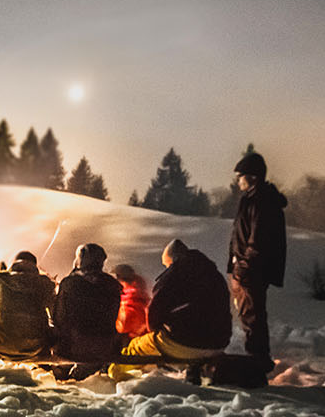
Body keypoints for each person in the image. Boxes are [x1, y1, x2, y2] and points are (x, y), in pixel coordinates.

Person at [111, 239, 231, 378]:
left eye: (166, 265)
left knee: (135, 347)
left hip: (183, 343)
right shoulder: (214, 274)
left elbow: (154, 314)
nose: (167, 268)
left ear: (172, 260)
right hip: (218, 344)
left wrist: (154, 332)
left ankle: (112, 378)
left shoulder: (173, 275)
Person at [228, 152, 287, 366]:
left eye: (240, 176)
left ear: (251, 177)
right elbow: (240, 234)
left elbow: (258, 239)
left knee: (252, 315)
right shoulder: (251, 200)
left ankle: (258, 359)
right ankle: (257, 357)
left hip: (252, 271)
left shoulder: (261, 201)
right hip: (246, 268)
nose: (237, 180)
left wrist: (243, 268)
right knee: (249, 314)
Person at [0, 250, 56, 359]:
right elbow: (54, 312)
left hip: (0, 345)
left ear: (13, 263)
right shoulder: (45, 283)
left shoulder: (0, 278)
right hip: (35, 347)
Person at [53, 244, 122, 363]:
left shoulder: (69, 283)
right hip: (106, 346)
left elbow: (59, 317)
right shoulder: (113, 284)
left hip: (73, 348)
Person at [113, 264, 150, 338]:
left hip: (133, 341)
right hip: (144, 338)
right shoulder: (142, 295)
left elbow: (122, 328)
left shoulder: (128, 301)